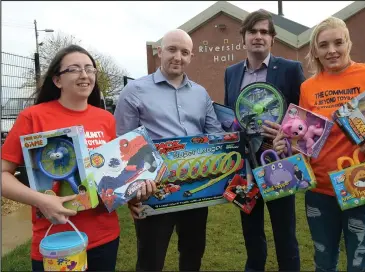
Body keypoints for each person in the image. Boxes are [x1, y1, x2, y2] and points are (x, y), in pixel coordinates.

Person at [1, 45, 155, 271]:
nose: (84, 75)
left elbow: (113, 174)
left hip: (104, 237)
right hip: (55, 240)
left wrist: (132, 195)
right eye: (74, 69)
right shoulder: (32, 117)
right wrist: (41, 200)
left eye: (90, 69)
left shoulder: (106, 119)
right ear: (57, 80)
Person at [273, 16, 365, 271]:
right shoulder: (309, 87)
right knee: (324, 262)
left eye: (338, 43)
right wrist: (285, 143)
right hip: (320, 191)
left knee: (359, 263)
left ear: (348, 43)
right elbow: (304, 138)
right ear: (316, 52)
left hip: (363, 184)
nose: (332, 50)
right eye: (324, 45)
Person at [114, 29, 223, 271]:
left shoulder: (200, 93)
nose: (178, 57)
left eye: (185, 52)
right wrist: (132, 190)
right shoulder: (134, 91)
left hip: (195, 189)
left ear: (191, 56)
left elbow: (215, 135)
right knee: (151, 259)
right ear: (159, 52)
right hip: (153, 191)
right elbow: (122, 143)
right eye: (172, 49)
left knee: (193, 254)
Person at [224, 9, 305, 272]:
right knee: (251, 232)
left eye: (264, 32)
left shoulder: (291, 69)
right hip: (243, 167)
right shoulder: (231, 72)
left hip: (279, 160)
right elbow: (231, 113)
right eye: (252, 32)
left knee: (285, 232)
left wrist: (286, 132)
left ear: (272, 39)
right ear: (243, 38)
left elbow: (302, 115)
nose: (258, 36)